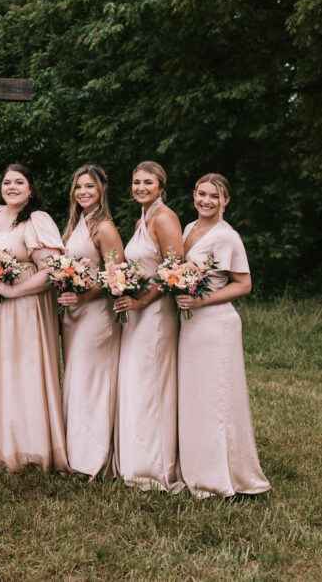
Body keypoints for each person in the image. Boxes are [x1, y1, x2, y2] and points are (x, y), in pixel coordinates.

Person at [0, 164, 68, 473]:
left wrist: (15, 290)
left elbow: (51, 269)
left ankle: (26, 447)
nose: (12, 187)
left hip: (20, 307)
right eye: (7, 182)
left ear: (31, 189)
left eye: (19, 182)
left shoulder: (37, 219)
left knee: (19, 369)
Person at [176, 174, 270, 497]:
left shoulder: (226, 237)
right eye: (202, 194)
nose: (206, 201)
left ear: (225, 201)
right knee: (195, 397)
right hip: (189, 326)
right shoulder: (188, 229)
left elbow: (243, 284)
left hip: (216, 325)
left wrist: (200, 299)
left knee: (218, 400)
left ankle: (222, 476)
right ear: (193, 195)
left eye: (214, 196)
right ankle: (195, 468)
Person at [113, 161, 184, 492]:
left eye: (148, 182)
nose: (140, 187)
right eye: (136, 181)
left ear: (161, 186)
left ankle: (156, 469)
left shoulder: (165, 218)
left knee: (152, 384)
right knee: (137, 385)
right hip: (138, 311)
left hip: (156, 315)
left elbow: (173, 269)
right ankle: (136, 460)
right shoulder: (143, 217)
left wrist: (142, 301)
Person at [57, 165, 124, 478]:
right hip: (73, 314)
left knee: (91, 382)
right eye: (79, 187)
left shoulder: (104, 227)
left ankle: (92, 459)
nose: (83, 192)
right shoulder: (75, 225)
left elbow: (116, 275)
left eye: (90, 188)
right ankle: (73, 452)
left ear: (101, 192)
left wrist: (84, 297)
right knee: (75, 380)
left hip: (96, 314)